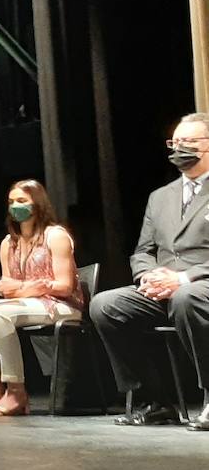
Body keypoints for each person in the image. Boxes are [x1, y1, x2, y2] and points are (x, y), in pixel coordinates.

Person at [90, 112, 209, 430]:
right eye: (175, 142)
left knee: (187, 298)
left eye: (189, 142)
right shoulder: (160, 197)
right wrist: (149, 276)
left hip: (200, 285)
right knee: (106, 305)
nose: (179, 148)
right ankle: (154, 401)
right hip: (164, 287)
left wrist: (182, 278)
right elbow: (143, 251)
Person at [0, 180, 83, 416]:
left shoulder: (55, 236)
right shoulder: (9, 243)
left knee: (0, 314)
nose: (15, 206)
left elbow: (64, 286)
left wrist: (22, 288)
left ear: (37, 204)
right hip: (29, 302)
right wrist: (29, 288)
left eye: (22, 201)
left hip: (62, 305)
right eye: (11, 202)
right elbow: (6, 287)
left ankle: (16, 390)